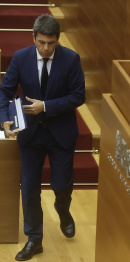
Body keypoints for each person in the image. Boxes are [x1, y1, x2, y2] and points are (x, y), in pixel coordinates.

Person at [0, 14, 85, 261]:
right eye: (41, 42)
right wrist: (3, 118)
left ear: (58, 39)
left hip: (61, 133)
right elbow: (4, 91)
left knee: (60, 184)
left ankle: (63, 209)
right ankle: (34, 240)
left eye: (51, 43)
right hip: (30, 134)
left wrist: (46, 106)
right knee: (29, 188)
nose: (46, 48)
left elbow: (78, 96)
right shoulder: (20, 58)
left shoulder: (71, 59)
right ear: (34, 38)